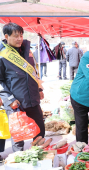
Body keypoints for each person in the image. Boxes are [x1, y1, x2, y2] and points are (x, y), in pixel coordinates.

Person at [0, 22, 45, 152]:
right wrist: (9, 99)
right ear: (6, 36)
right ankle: (19, 162)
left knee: (40, 132)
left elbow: (34, 72)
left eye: (21, 35)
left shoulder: (27, 50)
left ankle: (39, 157)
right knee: (18, 137)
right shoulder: (2, 55)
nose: (20, 38)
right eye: (16, 36)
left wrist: (39, 88)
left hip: (33, 100)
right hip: (16, 103)